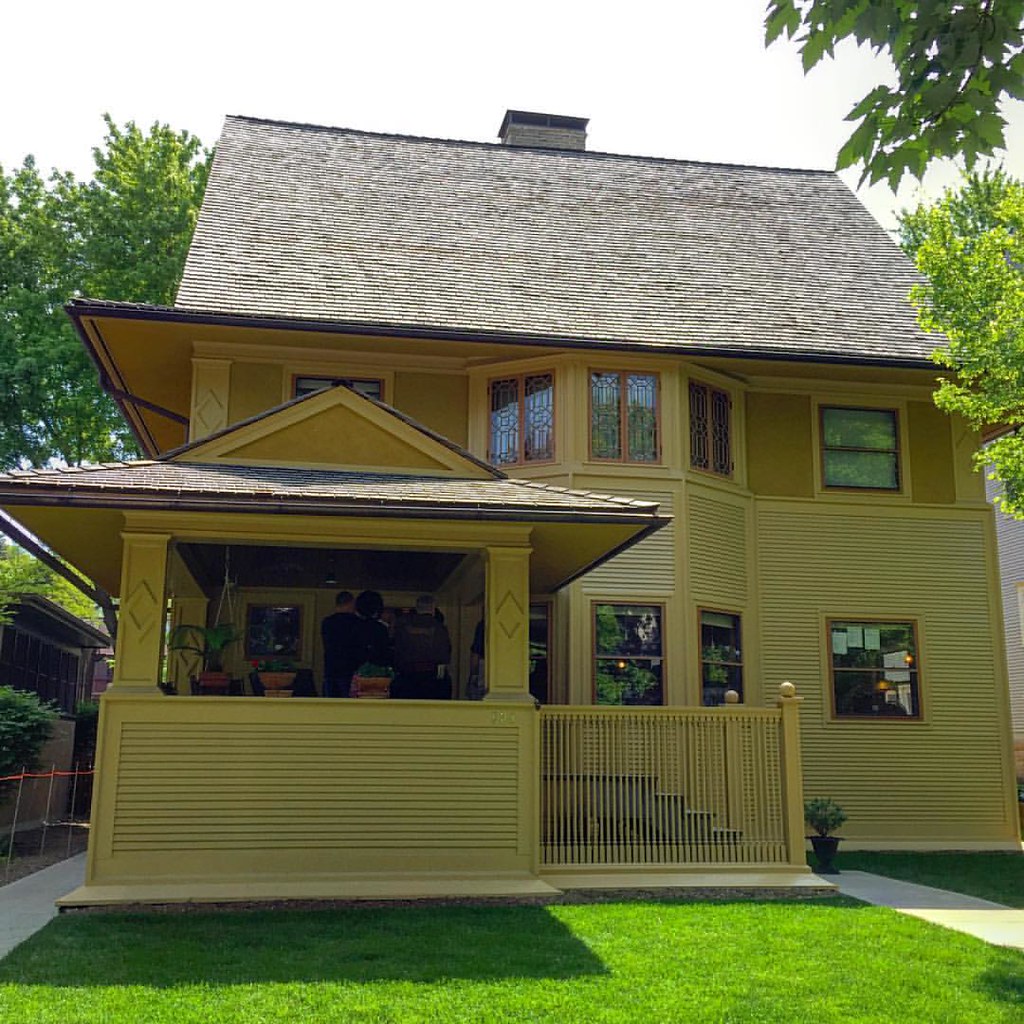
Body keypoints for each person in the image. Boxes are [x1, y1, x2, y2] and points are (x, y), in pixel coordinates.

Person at [392, 595, 451, 699]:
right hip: (433, 679)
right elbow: (445, 655)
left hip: (407, 678)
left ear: (417, 608)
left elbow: (396, 652)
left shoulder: (402, 626)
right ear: (433, 608)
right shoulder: (439, 628)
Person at [320, 591, 362, 697]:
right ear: (351, 603)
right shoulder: (356, 623)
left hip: (330, 668)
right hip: (349, 669)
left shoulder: (327, 622)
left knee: (331, 702)